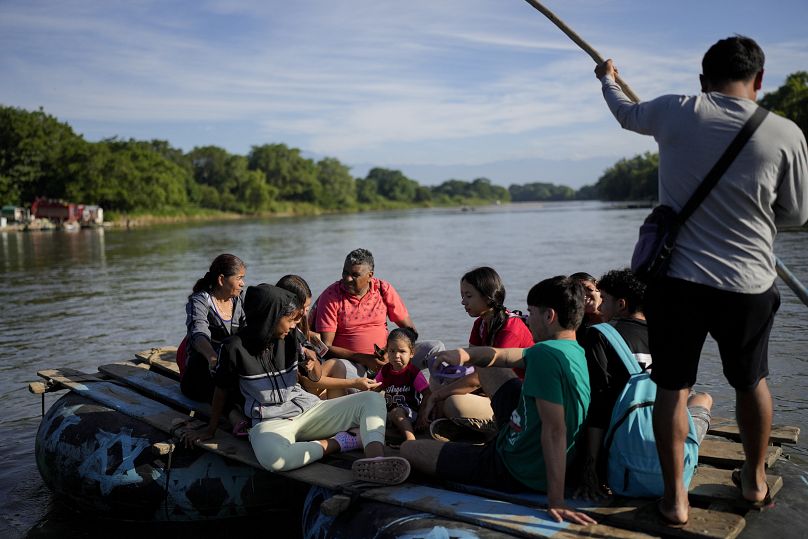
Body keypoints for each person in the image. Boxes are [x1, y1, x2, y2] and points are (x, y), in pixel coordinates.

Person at [595, 36, 808, 524]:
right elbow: (796, 215)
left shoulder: (676, 110)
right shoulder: (786, 132)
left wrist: (606, 79)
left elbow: (626, 113)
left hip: (678, 284)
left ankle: (675, 500)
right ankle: (753, 483)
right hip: (750, 284)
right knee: (751, 380)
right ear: (759, 80)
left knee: (672, 387)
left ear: (702, 81)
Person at [401, 276, 596, 526]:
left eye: (531, 313)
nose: (527, 320)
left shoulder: (545, 358)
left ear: (549, 316)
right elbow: (504, 355)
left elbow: (555, 431)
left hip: (514, 466)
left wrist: (555, 499)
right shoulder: (571, 348)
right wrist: (463, 354)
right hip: (521, 428)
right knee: (487, 363)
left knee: (410, 449)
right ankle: (493, 430)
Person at [183, 283, 410, 484]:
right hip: (269, 422)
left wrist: (313, 365)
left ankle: (376, 460)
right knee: (275, 460)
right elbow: (221, 389)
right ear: (270, 317)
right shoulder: (234, 348)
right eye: (289, 319)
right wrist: (211, 429)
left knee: (371, 400)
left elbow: (315, 378)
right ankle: (342, 442)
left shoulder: (292, 338)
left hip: (309, 410)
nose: (294, 325)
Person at [575, 269, 712, 501]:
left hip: (623, 450)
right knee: (701, 398)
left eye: (605, 300)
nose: (600, 306)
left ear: (621, 304)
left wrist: (590, 470)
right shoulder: (671, 336)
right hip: (672, 455)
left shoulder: (599, 334)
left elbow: (599, 407)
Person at [423, 267, 534, 440]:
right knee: (436, 381)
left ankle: (489, 429)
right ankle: (464, 426)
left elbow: (480, 377)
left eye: (468, 296)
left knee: (453, 403)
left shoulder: (510, 328)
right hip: (489, 391)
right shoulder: (480, 324)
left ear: (487, 296)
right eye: (462, 296)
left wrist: (439, 396)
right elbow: (470, 366)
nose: (463, 302)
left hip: (516, 401)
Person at [313, 248, 442, 382]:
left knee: (435, 349)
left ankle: (434, 396)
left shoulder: (383, 289)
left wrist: (389, 351)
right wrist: (364, 358)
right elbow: (325, 347)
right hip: (354, 367)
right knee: (337, 366)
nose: (347, 278)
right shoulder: (331, 296)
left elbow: (410, 331)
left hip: (390, 360)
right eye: (345, 272)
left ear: (370, 275)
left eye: (354, 275)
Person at [276, 274, 382, 399]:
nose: (305, 313)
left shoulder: (296, 330)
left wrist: (308, 337)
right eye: (303, 308)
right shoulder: (284, 335)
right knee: (337, 367)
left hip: (310, 380)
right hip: (298, 388)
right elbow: (307, 381)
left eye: (308, 308)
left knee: (333, 375)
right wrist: (355, 383)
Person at [181, 254, 247, 404]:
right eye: (239, 278)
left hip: (230, 367)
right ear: (221, 279)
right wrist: (212, 358)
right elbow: (199, 333)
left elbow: (248, 329)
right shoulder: (200, 300)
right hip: (202, 372)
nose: (242, 283)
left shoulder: (239, 299)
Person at [375, 328, 431, 442]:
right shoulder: (385, 370)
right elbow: (374, 388)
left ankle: (410, 439)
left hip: (410, 413)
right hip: (390, 414)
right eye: (392, 351)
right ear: (387, 351)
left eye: (402, 351)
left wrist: (421, 416)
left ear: (412, 353)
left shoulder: (413, 372)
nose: (396, 355)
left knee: (398, 411)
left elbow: (428, 393)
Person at [570, 272, 603, 344]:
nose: (583, 296)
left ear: (596, 284)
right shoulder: (574, 331)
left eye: (586, 288)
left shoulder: (619, 314)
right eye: (576, 293)